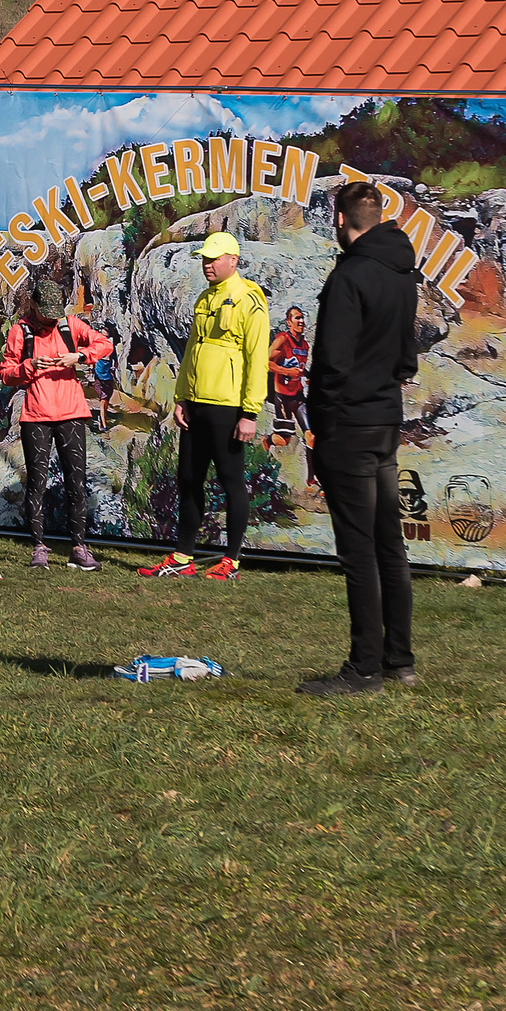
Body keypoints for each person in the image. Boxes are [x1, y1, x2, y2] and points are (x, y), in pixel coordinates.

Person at [298, 182, 423, 696]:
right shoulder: (402, 273)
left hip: (347, 425)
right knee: (389, 544)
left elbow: (331, 360)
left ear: (343, 219)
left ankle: (364, 667)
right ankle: (399, 661)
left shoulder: (349, 275)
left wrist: (320, 425)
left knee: (359, 551)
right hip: (384, 421)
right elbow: (406, 360)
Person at [149, 231, 271, 580]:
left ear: (233, 260)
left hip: (228, 406)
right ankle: (182, 556)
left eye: (214, 258)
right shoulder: (204, 298)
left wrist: (250, 412)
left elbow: (256, 356)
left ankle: (230, 560)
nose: (207, 264)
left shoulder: (249, 298)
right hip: (196, 404)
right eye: (204, 258)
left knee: (231, 480)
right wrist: (181, 397)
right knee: (188, 479)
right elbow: (192, 351)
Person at [0, 278, 109, 573]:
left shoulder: (69, 325)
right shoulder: (20, 331)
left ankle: (78, 547)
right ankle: (38, 547)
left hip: (71, 413)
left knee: (76, 482)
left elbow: (104, 344)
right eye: (45, 311)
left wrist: (79, 356)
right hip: (36, 416)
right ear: (33, 304)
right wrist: (29, 367)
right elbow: (6, 372)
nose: (51, 317)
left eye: (54, 311)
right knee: (37, 482)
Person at [269, 304, 315, 481]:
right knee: (284, 440)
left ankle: (311, 479)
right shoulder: (282, 340)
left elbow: (300, 367)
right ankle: (268, 440)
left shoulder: (304, 345)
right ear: (289, 323)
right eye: (297, 318)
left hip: (298, 397)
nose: (301, 321)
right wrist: (287, 372)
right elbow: (266, 362)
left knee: (311, 435)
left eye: (302, 317)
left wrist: (308, 376)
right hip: (282, 397)